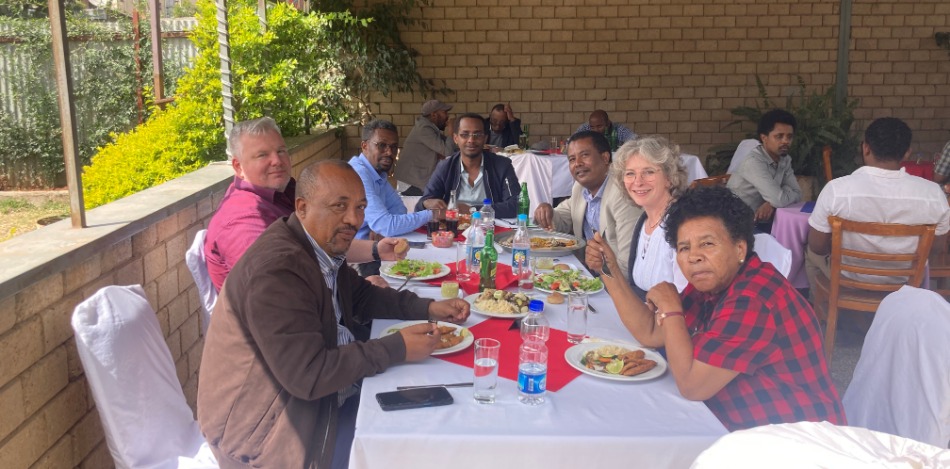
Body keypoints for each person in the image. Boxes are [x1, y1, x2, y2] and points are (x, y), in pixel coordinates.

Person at [197, 160, 471, 468]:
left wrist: (429, 308)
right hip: (268, 435)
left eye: (360, 207)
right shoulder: (277, 271)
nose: (353, 219)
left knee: (438, 410)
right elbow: (308, 375)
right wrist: (398, 348)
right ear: (302, 207)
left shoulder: (318, 245)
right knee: (422, 444)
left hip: (316, 398)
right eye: (339, 206)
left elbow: (362, 294)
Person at [589, 185, 846, 431]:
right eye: (684, 247)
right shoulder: (714, 283)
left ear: (739, 248)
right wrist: (607, 268)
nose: (694, 256)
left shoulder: (753, 297)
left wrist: (671, 308)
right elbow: (651, 333)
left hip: (793, 442)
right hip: (736, 423)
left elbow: (692, 386)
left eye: (708, 244)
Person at [204, 117, 401, 291]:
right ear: (238, 167)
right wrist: (357, 291)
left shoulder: (285, 191)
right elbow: (281, 291)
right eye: (262, 155)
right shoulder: (245, 220)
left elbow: (321, 243)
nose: (277, 161)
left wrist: (375, 250)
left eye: (281, 151)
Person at [806, 117, 950, 287]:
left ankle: (820, 309)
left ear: (865, 148)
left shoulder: (836, 190)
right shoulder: (933, 194)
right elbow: (936, 248)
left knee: (810, 255)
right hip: (906, 281)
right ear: (907, 153)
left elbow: (817, 246)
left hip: (847, 278)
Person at [585, 135, 688, 298]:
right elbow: (633, 289)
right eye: (630, 174)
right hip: (641, 316)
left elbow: (688, 300)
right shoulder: (644, 223)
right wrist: (606, 266)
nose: (638, 182)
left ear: (669, 178)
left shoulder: (683, 224)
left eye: (648, 172)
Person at [533, 130, 640, 278]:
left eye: (585, 155)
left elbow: (629, 264)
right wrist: (546, 211)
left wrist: (593, 275)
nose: (577, 164)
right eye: (571, 159)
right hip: (587, 274)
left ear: (605, 158)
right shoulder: (581, 188)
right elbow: (562, 220)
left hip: (616, 284)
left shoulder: (623, 194)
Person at [416, 112, 520, 218]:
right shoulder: (445, 167)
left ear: (485, 139)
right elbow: (421, 205)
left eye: (477, 135)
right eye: (465, 135)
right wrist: (426, 203)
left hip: (490, 229)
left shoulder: (501, 165)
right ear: (456, 139)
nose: (471, 140)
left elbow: (516, 205)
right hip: (452, 229)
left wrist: (472, 210)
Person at [726, 108, 802, 231]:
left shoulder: (785, 159)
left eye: (789, 136)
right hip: (737, 225)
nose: (785, 141)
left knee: (794, 233)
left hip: (762, 221)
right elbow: (779, 199)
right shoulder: (754, 162)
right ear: (764, 138)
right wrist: (775, 200)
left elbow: (797, 193)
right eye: (779, 136)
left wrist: (771, 203)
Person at [394, 99, 456, 195]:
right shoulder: (424, 129)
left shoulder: (429, 129)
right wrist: (452, 130)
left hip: (417, 179)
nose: (447, 116)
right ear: (434, 114)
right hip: (412, 183)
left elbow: (450, 146)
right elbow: (448, 151)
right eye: (444, 112)